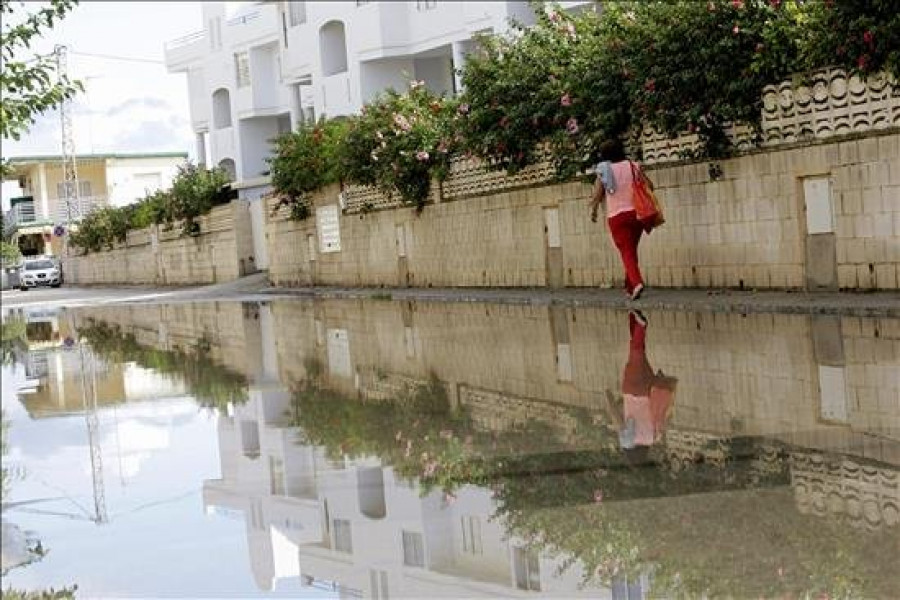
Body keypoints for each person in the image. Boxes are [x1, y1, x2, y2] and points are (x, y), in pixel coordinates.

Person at [603, 310, 677, 455]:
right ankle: (641, 324)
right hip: (632, 389)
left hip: (650, 389)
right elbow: (616, 417)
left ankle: (635, 318)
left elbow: (667, 418)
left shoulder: (654, 437)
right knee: (636, 352)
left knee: (639, 352)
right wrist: (608, 397)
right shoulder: (627, 441)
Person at [590, 139, 655, 300]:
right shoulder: (633, 166)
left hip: (617, 216)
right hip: (637, 214)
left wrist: (594, 209)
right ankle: (630, 287)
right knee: (630, 250)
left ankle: (637, 282)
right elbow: (650, 185)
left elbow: (598, 193)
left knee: (626, 251)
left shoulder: (604, 170)